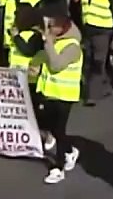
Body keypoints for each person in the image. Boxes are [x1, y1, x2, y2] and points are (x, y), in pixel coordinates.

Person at [36, 10, 82, 185]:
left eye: (52, 26)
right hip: (50, 92)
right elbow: (45, 58)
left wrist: (48, 43)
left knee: (59, 129)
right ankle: (70, 151)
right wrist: (36, 64)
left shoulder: (72, 47)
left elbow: (56, 64)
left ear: (62, 28)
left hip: (65, 95)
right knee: (51, 128)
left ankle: (58, 167)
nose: (48, 29)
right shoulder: (56, 41)